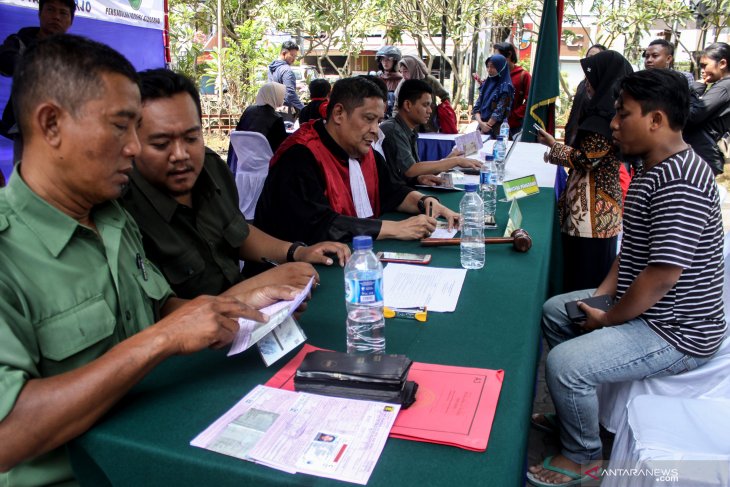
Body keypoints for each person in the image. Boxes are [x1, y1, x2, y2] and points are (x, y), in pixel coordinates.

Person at [0, 34, 304, 485]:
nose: (134, 148)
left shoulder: (110, 218)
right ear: (51, 124)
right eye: (121, 127)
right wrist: (162, 339)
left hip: (163, 446)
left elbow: (162, 311)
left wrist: (244, 302)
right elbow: (9, 435)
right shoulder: (9, 252)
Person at [528, 68, 725, 487]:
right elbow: (632, 255)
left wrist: (609, 317)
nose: (614, 124)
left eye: (624, 114)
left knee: (564, 364)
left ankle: (584, 457)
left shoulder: (681, 180)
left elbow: (660, 276)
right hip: (651, 311)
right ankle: (576, 412)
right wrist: (598, 299)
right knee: (557, 311)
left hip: (678, 331)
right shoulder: (652, 168)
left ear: (656, 120)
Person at [122, 69, 349, 300]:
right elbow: (160, 316)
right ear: (130, 142)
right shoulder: (122, 209)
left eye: (192, 138)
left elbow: (237, 231)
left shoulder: (210, 167)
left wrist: (297, 252)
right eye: (161, 143)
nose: (181, 155)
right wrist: (258, 289)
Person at [254, 76, 459, 244]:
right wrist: (394, 228)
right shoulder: (300, 155)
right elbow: (316, 226)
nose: (375, 130)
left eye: (378, 121)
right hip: (288, 273)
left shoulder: (366, 153)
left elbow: (393, 192)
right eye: (369, 119)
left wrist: (425, 201)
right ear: (339, 113)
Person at [536, 50, 631, 292]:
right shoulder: (601, 111)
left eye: (591, 78)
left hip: (593, 216)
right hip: (587, 212)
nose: (586, 84)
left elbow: (587, 159)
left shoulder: (605, 118)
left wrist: (553, 147)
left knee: (585, 281)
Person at [0, 0, 75, 167]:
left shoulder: (78, 52)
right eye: (50, 10)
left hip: (64, 128)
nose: (56, 17)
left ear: (71, 21)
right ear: (40, 13)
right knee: (26, 177)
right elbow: (5, 62)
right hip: (26, 126)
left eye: (63, 13)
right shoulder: (19, 41)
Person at [380, 79, 481, 182]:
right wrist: (456, 161)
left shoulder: (410, 130)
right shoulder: (393, 130)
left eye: (430, 105)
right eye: (425, 105)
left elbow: (417, 171)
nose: (430, 110)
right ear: (408, 105)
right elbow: (411, 170)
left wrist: (451, 157)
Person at [683, 42, 730, 175]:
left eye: (705, 65)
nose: (702, 70)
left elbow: (692, 116)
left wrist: (694, 91)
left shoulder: (724, 87)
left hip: (703, 153)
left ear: (722, 63)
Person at [228, 82, 287, 173]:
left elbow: (239, 131)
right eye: (282, 95)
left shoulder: (248, 110)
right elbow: (281, 148)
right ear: (275, 96)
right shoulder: (276, 118)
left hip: (244, 163)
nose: (283, 98)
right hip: (265, 167)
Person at [563, 44, 606, 147]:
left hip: (588, 144)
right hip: (571, 140)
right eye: (588, 57)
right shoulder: (582, 84)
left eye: (594, 58)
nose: (590, 61)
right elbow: (574, 113)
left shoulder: (604, 89)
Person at [394, 55, 450, 132]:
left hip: (430, 125)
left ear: (413, 69)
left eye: (406, 71)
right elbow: (397, 106)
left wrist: (442, 112)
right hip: (409, 128)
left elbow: (445, 96)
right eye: (401, 71)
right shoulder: (403, 84)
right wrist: (396, 123)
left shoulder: (430, 81)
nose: (403, 75)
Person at [493, 42, 531, 138]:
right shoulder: (496, 74)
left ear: (509, 54)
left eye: (498, 56)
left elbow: (530, 100)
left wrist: (515, 114)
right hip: (493, 123)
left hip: (513, 126)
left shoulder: (524, 75)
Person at [473, 53, 514, 136]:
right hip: (481, 127)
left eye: (493, 67)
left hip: (497, 130)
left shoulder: (506, 87)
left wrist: (486, 128)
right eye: (488, 66)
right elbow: (477, 107)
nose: (489, 69)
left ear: (501, 67)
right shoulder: (486, 84)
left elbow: (499, 111)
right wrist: (481, 124)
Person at [267, 40, 304, 118]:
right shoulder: (287, 70)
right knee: (286, 129)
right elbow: (289, 94)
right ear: (284, 53)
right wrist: (303, 109)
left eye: (295, 56)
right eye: (292, 55)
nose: (294, 59)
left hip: (271, 108)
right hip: (284, 110)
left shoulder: (271, 68)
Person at [375, 45, 402, 117]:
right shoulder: (378, 78)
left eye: (388, 59)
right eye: (382, 59)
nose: (385, 62)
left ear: (395, 62)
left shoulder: (401, 80)